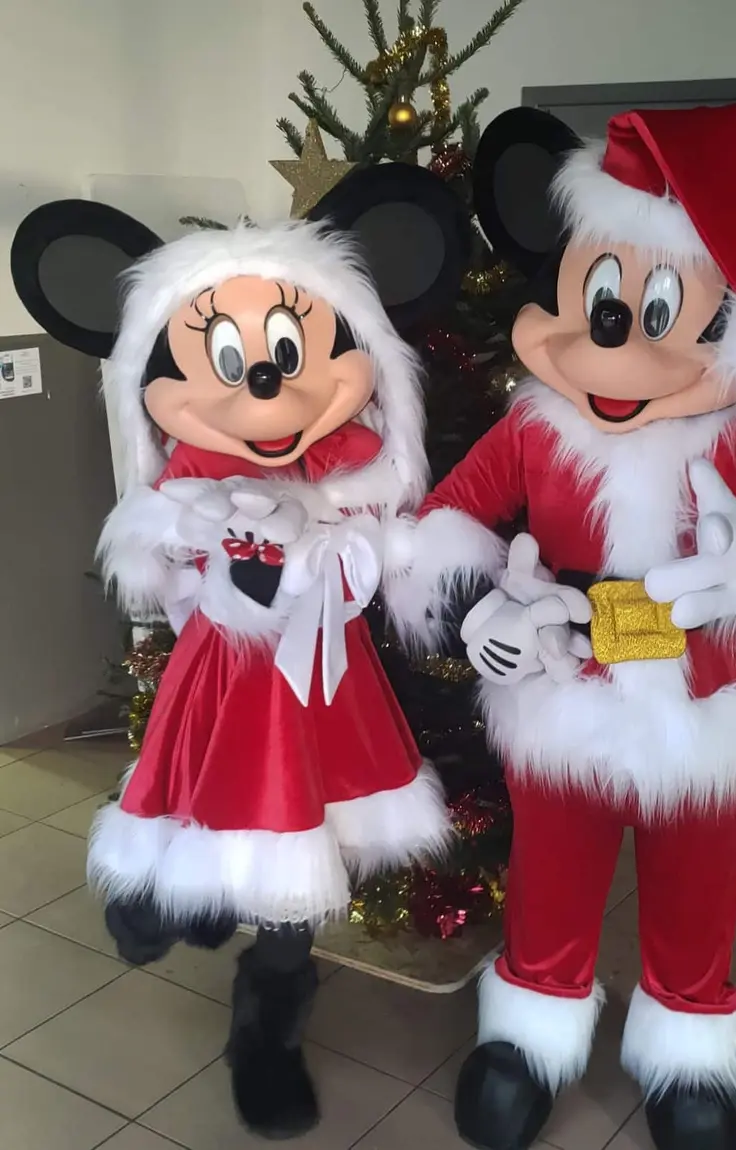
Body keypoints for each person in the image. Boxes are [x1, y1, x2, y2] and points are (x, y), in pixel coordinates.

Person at [385, 104, 736, 1150]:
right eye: (601, 300)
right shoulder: (535, 422)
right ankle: (529, 1034)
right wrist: (477, 606)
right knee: (552, 876)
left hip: (709, 700)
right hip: (563, 684)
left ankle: (687, 1049)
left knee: (695, 885)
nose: (614, 337)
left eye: (657, 308)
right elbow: (452, 514)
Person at [9, 164, 470, 1140]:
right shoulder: (181, 488)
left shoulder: (359, 473)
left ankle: (268, 1022)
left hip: (326, 694)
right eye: (227, 357)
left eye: (289, 350)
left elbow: (387, 565)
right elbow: (161, 577)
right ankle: (165, 900)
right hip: (219, 687)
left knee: (304, 860)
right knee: (191, 814)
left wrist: (338, 553)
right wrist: (219, 564)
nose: (265, 381)